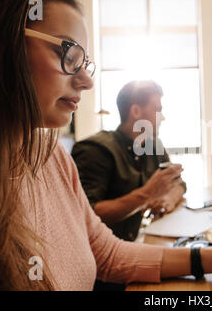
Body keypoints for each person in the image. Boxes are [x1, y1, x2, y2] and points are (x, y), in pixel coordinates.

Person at [0, 0, 212, 291]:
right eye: (68, 54)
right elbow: (102, 214)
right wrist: (147, 194)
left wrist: (210, 257)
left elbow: (105, 251)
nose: (87, 81)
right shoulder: (95, 150)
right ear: (1, 43)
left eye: (86, 63)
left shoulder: (53, 155)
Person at [71, 80, 186, 243]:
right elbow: (87, 212)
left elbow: (180, 184)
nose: (163, 117)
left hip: (138, 240)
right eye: (157, 110)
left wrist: (167, 200)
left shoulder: (153, 146)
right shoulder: (94, 150)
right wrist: (147, 194)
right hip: (103, 253)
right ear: (136, 111)